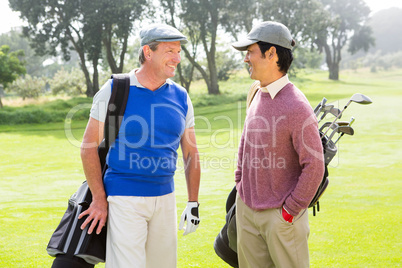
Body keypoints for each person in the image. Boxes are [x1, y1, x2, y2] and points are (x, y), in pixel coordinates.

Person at [78, 24, 201, 268]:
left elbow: (191, 152)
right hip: (124, 198)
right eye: (169, 51)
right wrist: (99, 199)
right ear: (148, 52)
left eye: (178, 51)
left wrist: (193, 202)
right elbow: (87, 147)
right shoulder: (115, 89)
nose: (177, 58)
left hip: (165, 198)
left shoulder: (181, 96)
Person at [232, 21, 325, 268]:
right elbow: (246, 141)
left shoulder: (297, 106)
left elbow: (314, 166)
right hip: (247, 211)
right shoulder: (255, 92)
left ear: (271, 53)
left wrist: (288, 212)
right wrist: (240, 182)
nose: (246, 59)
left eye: (250, 52)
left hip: (281, 219)